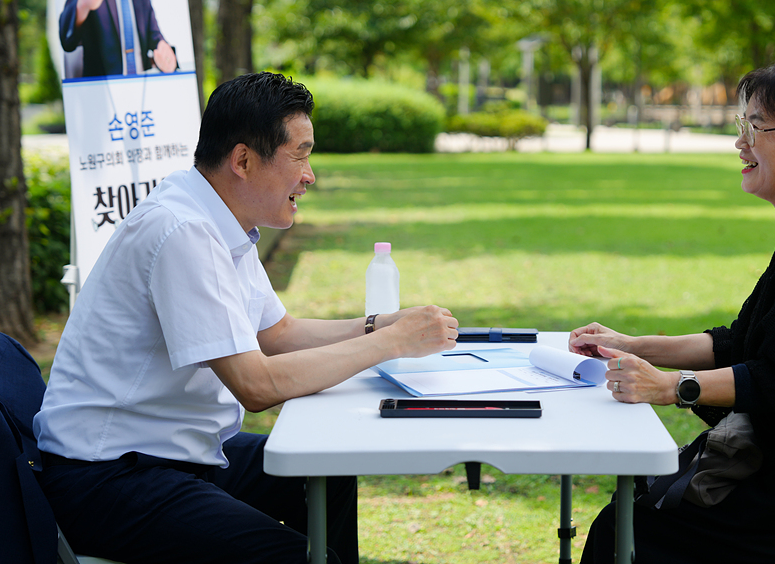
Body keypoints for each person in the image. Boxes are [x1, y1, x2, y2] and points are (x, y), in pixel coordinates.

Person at [34, 71, 460, 564]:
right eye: (299, 154)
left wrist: (380, 325)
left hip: (176, 453)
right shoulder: (184, 230)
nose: (310, 174)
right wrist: (390, 344)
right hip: (107, 476)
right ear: (242, 160)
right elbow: (255, 386)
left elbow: (278, 332)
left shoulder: (219, 217)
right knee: (297, 557)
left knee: (327, 472)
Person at [569, 55, 775, 563]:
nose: (741, 143)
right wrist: (631, 345)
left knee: (625, 529)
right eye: (741, 125)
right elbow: (737, 342)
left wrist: (669, 387)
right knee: (628, 515)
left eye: (757, 126)